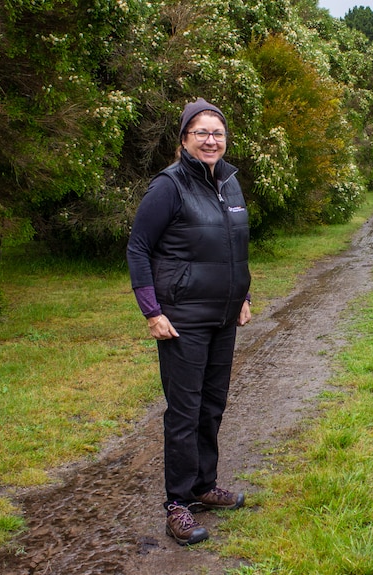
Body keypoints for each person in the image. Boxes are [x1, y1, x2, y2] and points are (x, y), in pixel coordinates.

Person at [126, 98, 251, 546]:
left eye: (217, 132)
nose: (211, 140)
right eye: (201, 132)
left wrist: (244, 296)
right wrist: (152, 311)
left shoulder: (230, 184)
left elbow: (235, 246)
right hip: (182, 319)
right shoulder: (169, 185)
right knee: (184, 412)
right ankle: (177, 503)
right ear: (184, 139)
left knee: (212, 406)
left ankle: (203, 485)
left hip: (223, 317)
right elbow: (138, 247)